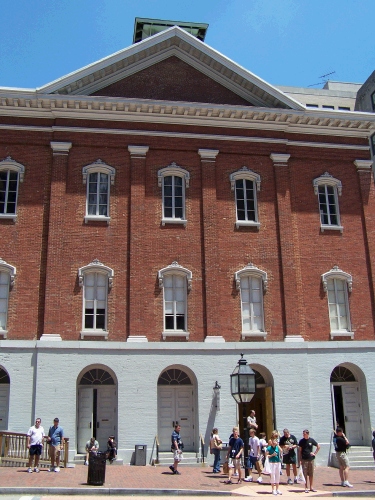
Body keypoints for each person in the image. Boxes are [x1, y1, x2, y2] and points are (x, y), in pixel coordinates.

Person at [298, 429, 320, 493]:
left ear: (307, 434)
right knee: (305, 474)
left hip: (311, 459)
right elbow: (300, 451)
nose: (303, 435)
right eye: (303, 434)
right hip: (304, 459)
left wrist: (314, 453)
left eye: (304, 434)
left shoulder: (311, 440)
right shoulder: (301, 441)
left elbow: (318, 446)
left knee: (311, 473)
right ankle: (306, 487)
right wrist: (300, 459)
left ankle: (311, 487)